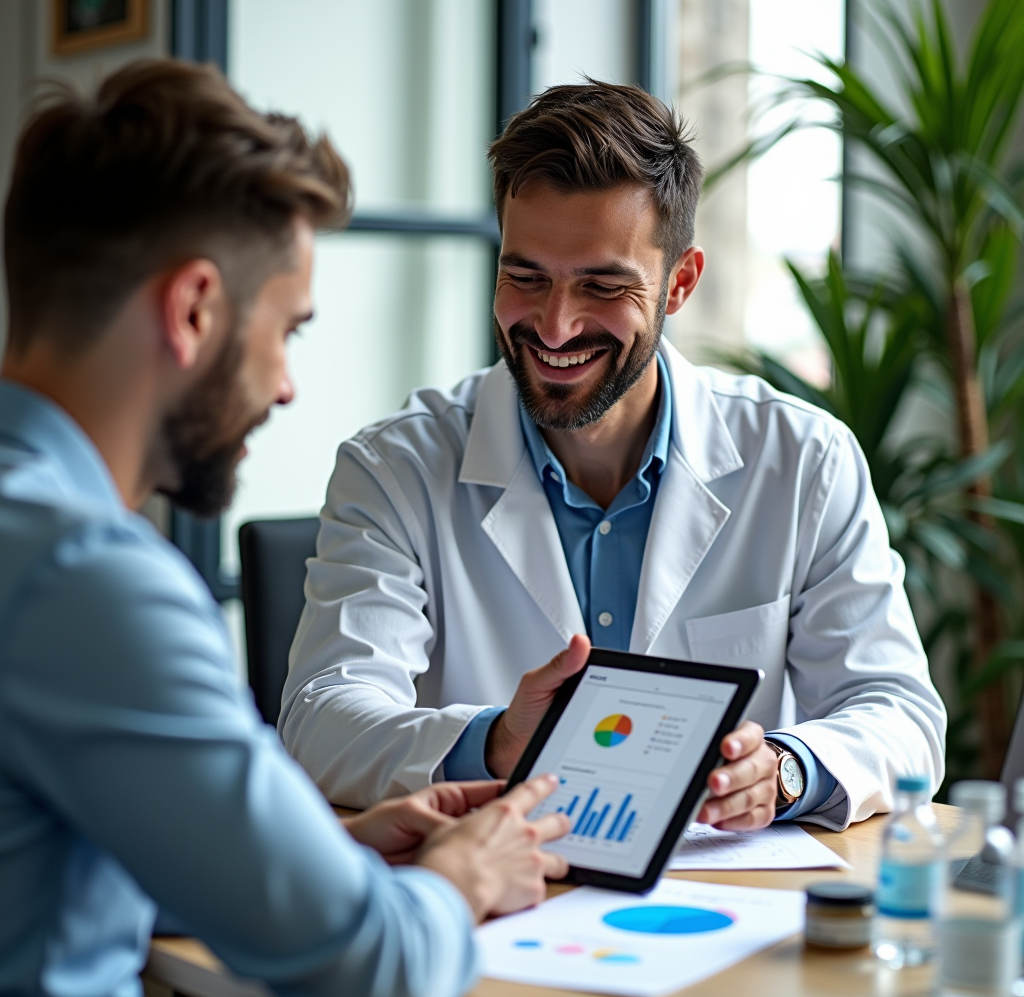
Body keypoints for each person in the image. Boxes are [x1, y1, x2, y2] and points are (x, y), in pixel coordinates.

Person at [0, 60, 575, 997]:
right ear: (193, 310)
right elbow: (371, 972)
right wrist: (465, 877)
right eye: (287, 331)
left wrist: (331, 851)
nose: (284, 388)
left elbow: (69, 842)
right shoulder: (85, 581)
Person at [280, 81, 947, 832]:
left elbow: (901, 715)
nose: (556, 327)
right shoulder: (395, 466)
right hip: (496, 893)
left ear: (680, 284)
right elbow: (321, 719)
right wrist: (497, 743)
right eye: (524, 277)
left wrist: (785, 770)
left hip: (723, 903)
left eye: (602, 286)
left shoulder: (803, 458)